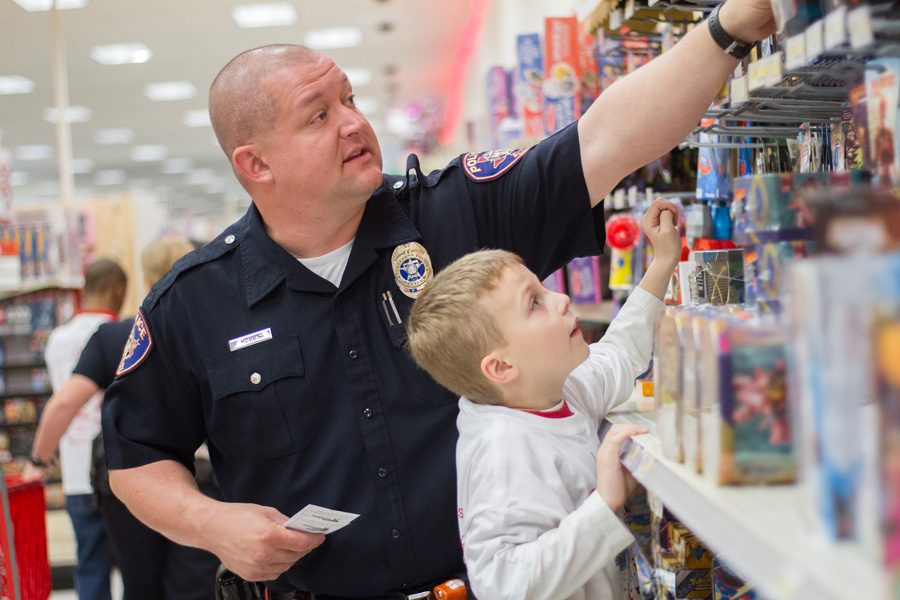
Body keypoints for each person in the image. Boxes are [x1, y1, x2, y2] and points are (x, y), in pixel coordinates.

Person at [101, 2, 776, 597]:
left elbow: (604, 139)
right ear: (256, 164)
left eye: (348, 99)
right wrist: (211, 522)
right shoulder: (193, 304)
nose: (353, 123)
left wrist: (728, 27)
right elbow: (135, 459)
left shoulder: (454, 214)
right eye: (319, 115)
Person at [406, 200, 680, 600]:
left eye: (544, 288)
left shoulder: (555, 389)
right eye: (535, 302)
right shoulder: (503, 451)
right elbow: (501, 586)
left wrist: (662, 263)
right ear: (501, 367)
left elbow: (619, 353)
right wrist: (604, 505)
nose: (562, 299)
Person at [29, 238, 221, 600]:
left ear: (146, 281)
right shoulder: (213, 331)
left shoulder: (118, 336)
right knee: (197, 582)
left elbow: (64, 403)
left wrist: (39, 459)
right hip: (203, 478)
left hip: (131, 481)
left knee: (138, 581)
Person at [26, 258, 127, 600]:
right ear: (119, 290)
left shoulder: (58, 338)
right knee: (135, 566)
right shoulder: (121, 333)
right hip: (119, 470)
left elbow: (62, 402)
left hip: (74, 470)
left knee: (90, 563)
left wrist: (39, 459)